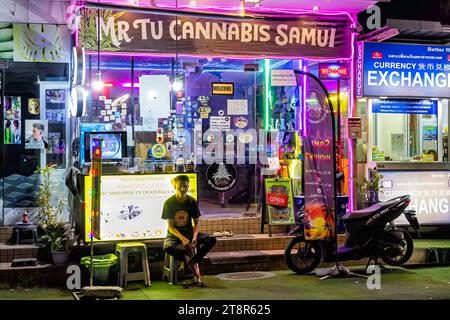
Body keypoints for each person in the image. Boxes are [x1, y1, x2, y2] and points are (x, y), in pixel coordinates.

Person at [162, 175, 216, 287]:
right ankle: (186, 259)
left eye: (185, 186)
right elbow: (171, 227)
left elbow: (196, 224)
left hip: (189, 232)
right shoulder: (169, 202)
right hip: (175, 234)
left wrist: (195, 237)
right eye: (180, 187)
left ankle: (193, 261)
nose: (183, 189)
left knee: (212, 239)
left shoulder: (192, 201)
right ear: (174, 186)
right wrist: (182, 238)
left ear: (188, 186)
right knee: (167, 247)